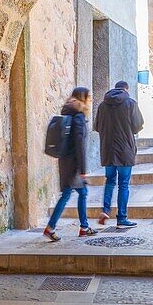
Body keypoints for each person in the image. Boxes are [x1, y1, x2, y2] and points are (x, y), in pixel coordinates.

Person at [43, 87, 97, 242]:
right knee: (68, 195)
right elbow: (79, 144)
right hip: (74, 163)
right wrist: (83, 170)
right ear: (83, 98)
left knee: (80, 193)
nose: (90, 99)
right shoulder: (78, 116)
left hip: (65, 161)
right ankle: (52, 227)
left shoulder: (68, 112)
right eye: (89, 96)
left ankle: (84, 227)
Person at [94, 80, 144, 228]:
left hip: (108, 150)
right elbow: (137, 126)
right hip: (125, 150)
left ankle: (105, 210)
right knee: (123, 184)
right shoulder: (130, 103)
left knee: (109, 181)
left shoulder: (102, 106)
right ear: (126, 89)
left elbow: (97, 126)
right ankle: (122, 217)